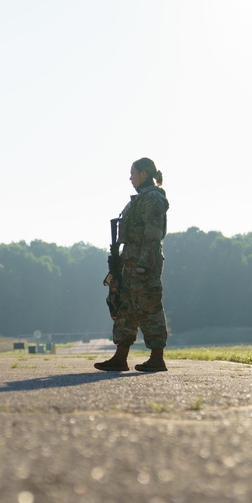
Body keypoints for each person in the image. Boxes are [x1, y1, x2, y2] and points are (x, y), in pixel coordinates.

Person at [95, 157, 170, 373]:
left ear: (143, 175)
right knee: (125, 310)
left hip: (143, 265)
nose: (130, 177)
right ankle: (120, 357)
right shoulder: (138, 200)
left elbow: (153, 235)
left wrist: (144, 265)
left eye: (133, 173)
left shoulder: (153, 199)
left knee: (150, 309)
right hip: (129, 264)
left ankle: (157, 358)